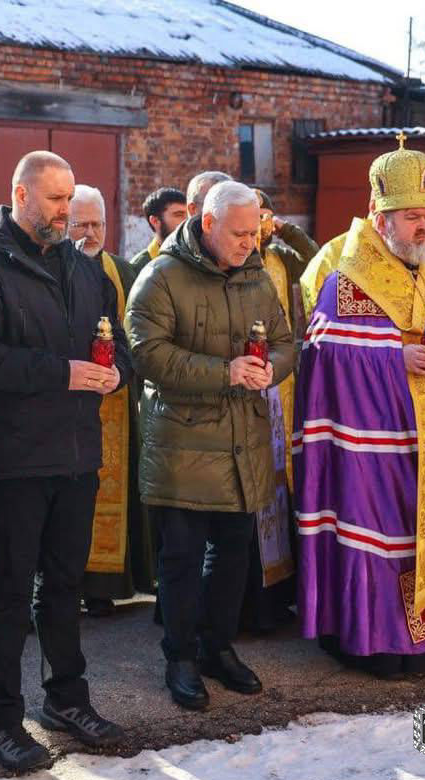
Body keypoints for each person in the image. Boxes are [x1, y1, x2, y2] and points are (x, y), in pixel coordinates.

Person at [0, 151, 131, 771]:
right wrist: (61, 374)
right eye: (55, 198)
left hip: (74, 455)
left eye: (70, 196)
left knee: (65, 586)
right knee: (5, 592)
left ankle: (66, 698)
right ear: (20, 194)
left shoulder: (84, 267)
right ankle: (0, 720)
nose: (66, 210)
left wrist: (112, 375)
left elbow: (117, 345)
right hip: (9, 460)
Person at [296, 135, 425, 676]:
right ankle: (386, 645)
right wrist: (394, 356)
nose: (423, 227)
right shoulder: (347, 279)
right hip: (381, 449)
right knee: (391, 538)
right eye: (411, 217)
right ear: (379, 217)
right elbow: (324, 353)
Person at [126, 180, 294, 710]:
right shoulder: (161, 277)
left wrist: (270, 369)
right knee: (180, 560)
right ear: (206, 225)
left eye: (256, 232)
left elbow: (289, 341)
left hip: (242, 442)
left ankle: (217, 647)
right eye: (240, 233)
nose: (250, 243)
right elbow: (147, 355)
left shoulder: (257, 275)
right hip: (183, 443)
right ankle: (179, 656)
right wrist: (225, 372)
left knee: (231, 556)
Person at [69, 183, 155, 616]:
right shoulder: (51, 274)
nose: (90, 232)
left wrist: (122, 371)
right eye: (80, 224)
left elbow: (140, 338)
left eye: (97, 223)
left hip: (118, 403)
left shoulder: (123, 271)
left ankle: (104, 586)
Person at [242, 189, 320, 632]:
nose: (259, 228)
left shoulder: (282, 258)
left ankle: (284, 590)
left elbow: (317, 263)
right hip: (248, 379)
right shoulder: (235, 258)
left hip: (286, 383)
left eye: (264, 217)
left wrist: (287, 227)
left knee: (285, 487)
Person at [130, 187, 188, 271]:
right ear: (155, 221)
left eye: (188, 215)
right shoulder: (138, 267)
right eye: (178, 215)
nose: (186, 221)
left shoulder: (196, 259)